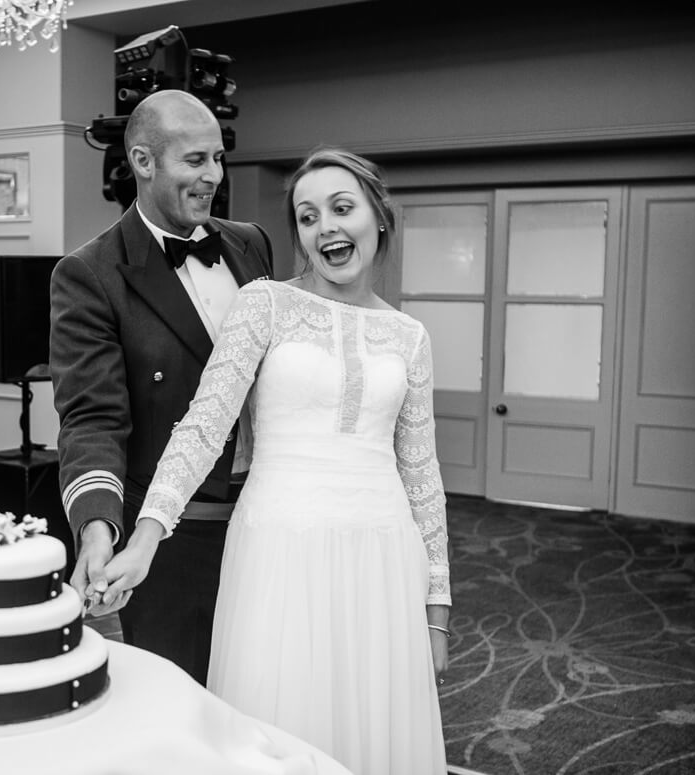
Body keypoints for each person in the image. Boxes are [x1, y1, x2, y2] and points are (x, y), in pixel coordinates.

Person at [101, 148, 451, 773]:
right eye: (309, 217)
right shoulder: (264, 305)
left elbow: (423, 477)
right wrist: (146, 536)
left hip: (383, 555)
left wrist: (437, 614)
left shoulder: (410, 336)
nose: (327, 229)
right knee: (279, 730)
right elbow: (203, 427)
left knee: (373, 726)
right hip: (279, 549)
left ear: (379, 217)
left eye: (342, 209)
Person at [49, 90, 273, 685]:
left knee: (270, 693)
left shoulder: (251, 243)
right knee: (186, 701)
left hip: (271, 520)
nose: (213, 177)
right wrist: (98, 526)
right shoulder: (89, 275)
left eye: (219, 159)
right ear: (144, 163)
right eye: (195, 161)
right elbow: (92, 418)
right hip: (176, 539)